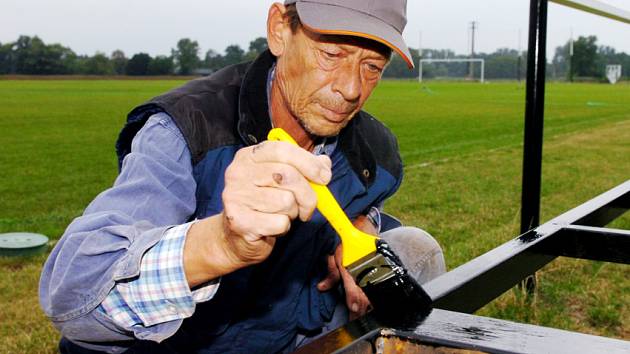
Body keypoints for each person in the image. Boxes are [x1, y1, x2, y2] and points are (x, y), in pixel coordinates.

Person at [39, 0, 446, 353]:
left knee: (414, 249)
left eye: (372, 67)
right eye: (332, 55)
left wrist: (358, 226)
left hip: (286, 340)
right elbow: (73, 298)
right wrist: (220, 243)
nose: (352, 89)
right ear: (279, 31)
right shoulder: (186, 130)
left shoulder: (374, 150)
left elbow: (368, 204)